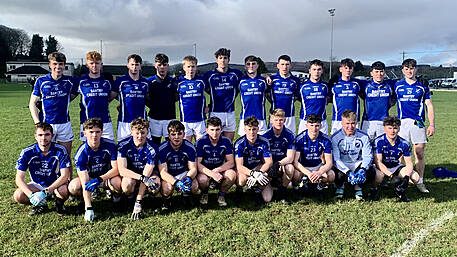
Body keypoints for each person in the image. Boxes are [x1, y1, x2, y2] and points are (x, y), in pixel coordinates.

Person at [69, 118, 122, 221]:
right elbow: (85, 181)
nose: (94, 135)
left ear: (102, 132)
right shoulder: (81, 153)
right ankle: (84, 202)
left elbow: (116, 169)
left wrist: (100, 179)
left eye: (97, 132)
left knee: (117, 182)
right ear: (84, 133)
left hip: (107, 177)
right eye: (91, 132)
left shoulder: (111, 145)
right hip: (90, 178)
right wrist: (88, 208)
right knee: (73, 187)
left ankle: (116, 200)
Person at [395, 58, 435, 193]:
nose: (409, 71)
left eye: (411, 68)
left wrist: (432, 124)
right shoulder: (397, 85)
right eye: (406, 69)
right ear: (402, 70)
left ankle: (420, 181)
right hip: (402, 123)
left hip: (418, 123)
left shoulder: (422, 86)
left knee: (419, 153)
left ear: (416, 69)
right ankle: (401, 180)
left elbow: (429, 105)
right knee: (400, 153)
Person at [13, 122, 71, 216]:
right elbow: (19, 179)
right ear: (35, 136)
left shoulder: (60, 150)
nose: (43, 138)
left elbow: (65, 175)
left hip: (56, 184)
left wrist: (47, 191)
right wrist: (31, 196)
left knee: (63, 190)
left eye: (47, 135)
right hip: (37, 185)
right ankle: (41, 205)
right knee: (18, 195)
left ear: (52, 136)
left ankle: (59, 203)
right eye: (40, 135)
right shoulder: (27, 152)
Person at [29, 52, 77, 159]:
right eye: (55, 64)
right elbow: (32, 103)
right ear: (50, 65)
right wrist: (37, 123)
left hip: (65, 124)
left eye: (61, 64)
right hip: (47, 124)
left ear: (64, 65)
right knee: (48, 156)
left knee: (66, 156)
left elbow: (72, 96)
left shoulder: (70, 81)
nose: (58, 67)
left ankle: (67, 176)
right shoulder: (41, 81)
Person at [117, 118, 160, 219]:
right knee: (127, 184)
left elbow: (146, 174)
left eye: (143, 133)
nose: (140, 136)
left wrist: (138, 202)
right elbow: (122, 170)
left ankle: (149, 200)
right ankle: (130, 199)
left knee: (155, 184)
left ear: (147, 132)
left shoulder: (152, 148)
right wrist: (141, 178)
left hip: (146, 175)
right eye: (137, 133)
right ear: (131, 132)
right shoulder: (123, 145)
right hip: (131, 175)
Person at [331, 110, 379, 201]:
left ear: (356, 122)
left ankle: (358, 188)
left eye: (353, 123)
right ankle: (340, 187)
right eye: (347, 123)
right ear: (342, 123)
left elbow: (368, 156)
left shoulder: (363, 136)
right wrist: (348, 172)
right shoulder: (335, 137)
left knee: (371, 172)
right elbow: (336, 159)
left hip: (357, 163)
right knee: (338, 175)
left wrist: (363, 169)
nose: (350, 126)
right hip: (342, 164)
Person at [373, 116, 420, 202]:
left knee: (415, 177)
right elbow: (378, 162)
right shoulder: (379, 141)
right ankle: (373, 190)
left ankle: (400, 190)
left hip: (395, 166)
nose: (392, 131)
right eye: (389, 128)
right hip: (381, 167)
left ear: (399, 129)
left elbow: (409, 163)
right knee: (379, 176)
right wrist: (391, 176)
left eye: (395, 128)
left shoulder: (404, 143)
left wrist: (406, 177)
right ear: (384, 128)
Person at [75, 51, 116, 141]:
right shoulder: (80, 81)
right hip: (87, 122)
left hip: (105, 122)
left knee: (109, 149)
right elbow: (68, 97)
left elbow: (112, 96)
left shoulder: (107, 81)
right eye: (91, 63)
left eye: (97, 63)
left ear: (101, 64)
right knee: (88, 150)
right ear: (87, 65)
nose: (94, 66)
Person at [158, 120, 199, 209]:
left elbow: (193, 168)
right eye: (173, 134)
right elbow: (163, 172)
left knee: (194, 186)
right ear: (168, 136)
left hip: (183, 173)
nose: (176, 137)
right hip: (169, 174)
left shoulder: (190, 147)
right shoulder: (162, 148)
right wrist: (176, 182)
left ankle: (186, 197)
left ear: (184, 135)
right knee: (167, 189)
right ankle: (166, 200)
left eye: (179, 134)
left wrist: (187, 178)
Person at [196, 117, 236, 207]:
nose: (215, 133)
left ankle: (221, 195)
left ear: (221, 129)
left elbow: (231, 162)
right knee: (202, 180)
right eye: (212, 130)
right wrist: (211, 173)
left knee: (231, 174)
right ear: (207, 130)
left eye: (217, 129)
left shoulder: (226, 141)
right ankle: (204, 193)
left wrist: (217, 170)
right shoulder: (201, 142)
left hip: (219, 170)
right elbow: (197, 164)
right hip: (205, 171)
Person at [204, 48, 242, 142]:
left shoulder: (236, 74)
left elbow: (250, 78)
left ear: (228, 60)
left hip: (230, 113)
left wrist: (266, 77)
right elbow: (201, 90)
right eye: (220, 58)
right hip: (215, 112)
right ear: (216, 60)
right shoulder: (209, 75)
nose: (223, 60)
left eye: (225, 58)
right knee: (214, 142)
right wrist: (206, 105)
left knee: (228, 143)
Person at [293, 114, 334, 199]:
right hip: (304, 166)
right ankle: (297, 188)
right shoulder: (300, 139)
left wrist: (319, 172)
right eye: (311, 125)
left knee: (331, 175)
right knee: (295, 175)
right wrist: (308, 173)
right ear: (306, 125)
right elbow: (295, 162)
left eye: (317, 126)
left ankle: (319, 189)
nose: (314, 129)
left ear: (321, 126)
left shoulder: (326, 140)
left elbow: (329, 163)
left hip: (318, 166)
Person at [234, 116, 273, 204]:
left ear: (258, 129)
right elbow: (239, 166)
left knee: (268, 198)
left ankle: (257, 191)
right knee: (242, 179)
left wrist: (260, 172)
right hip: (245, 169)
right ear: (244, 129)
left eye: (254, 129)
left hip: (257, 167)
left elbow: (269, 162)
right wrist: (252, 174)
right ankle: (239, 190)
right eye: (249, 129)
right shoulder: (239, 143)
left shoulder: (264, 141)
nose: (252, 132)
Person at [112, 54, 149, 141]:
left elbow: (148, 99)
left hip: (142, 122)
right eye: (132, 64)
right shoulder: (120, 81)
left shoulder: (145, 83)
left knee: (142, 148)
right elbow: (109, 98)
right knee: (123, 148)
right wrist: (122, 102)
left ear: (140, 66)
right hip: (124, 122)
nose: (134, 67)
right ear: (127, 65)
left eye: (137, 65)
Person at [262, 109, 295, 204]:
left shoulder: (290, 135)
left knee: (290, 168)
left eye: (281, 120)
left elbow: (290, 157)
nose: (278, 122)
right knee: (267, 199)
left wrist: (278, 164)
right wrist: (271, 166)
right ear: (271, 120)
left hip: (282, 164)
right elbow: (262, 158)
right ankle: (269, 184)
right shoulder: (265, 136)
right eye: (276, 120)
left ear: (284, 120)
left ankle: (282, 191)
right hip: (269, 166)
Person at [174, 55, 207, 142]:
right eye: (188, 67)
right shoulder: (179, 82)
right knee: (186, 148)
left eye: (193, 66)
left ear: (196, 67)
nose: (191, 69)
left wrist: (209, 106)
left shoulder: (202, 80)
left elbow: (214, 93)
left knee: (200, 147)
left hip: (200, 120)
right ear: (184, 67)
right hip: (185, 121)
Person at [360, 61, 396, 140]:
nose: (379, 74)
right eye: (376, 72)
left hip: (384, 121)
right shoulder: (365, 85)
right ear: (371, 73)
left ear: (384, 72)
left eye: (381, 71)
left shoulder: (390, 84)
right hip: (368, 121)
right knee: (365, 147)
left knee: (382, 148)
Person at [146, 53, 176, 146]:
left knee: (171, 145)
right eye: (159, 65)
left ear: (168, 66)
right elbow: (145, 98)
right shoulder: (149, 82)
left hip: (170, 118)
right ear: (155, 65)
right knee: (154, 145)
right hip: (154, 119)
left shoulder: (173, 81)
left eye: (164, 65)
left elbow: (177, 97)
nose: (162, 67)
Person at [266, 55, 300, 134]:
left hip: (289, 116)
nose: (285, 67)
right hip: (275, 116)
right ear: (278, 66)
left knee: (290, 139)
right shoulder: (272, 79)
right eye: (282, 64)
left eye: (287, 64)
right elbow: (266, 94)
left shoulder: (295, 80)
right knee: (272, 139)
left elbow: (296, 96)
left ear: (290, 65)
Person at [329, 58, 363, 135]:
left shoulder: (357, 83)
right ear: (341, 69)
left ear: (352, 69)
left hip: (354, 121)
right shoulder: (334, 83)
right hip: (338, 120)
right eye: (346, 68)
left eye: (350, 68)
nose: (348, 70)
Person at [238, 56, 268, 136]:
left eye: (253, 64)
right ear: (245, 66)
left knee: (262, 143)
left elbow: (270, 96)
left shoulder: (263, 80)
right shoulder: (240, 80)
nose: (251, 66)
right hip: (245, 118)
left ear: (257, 65)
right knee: (245, 144)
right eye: (248, 64)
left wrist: (267, 76)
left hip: (260, 118)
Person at [297, 59, 329, 135]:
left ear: (322, 71)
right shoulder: (302, 86)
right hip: (305, 121)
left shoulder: (326, 86)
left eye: (319, 69)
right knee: (302, 145)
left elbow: (329, 99)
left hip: (322, 121)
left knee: (323, 144)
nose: (316, 72)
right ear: (309, 71)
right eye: (314, 69)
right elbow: (297, 98)